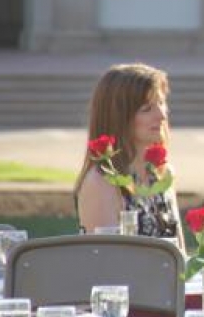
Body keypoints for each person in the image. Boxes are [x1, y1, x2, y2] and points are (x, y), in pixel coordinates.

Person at [74, 63, 184, 250]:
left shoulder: (162, 174)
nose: (162, 115)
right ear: (119, 117)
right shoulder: (102, 182)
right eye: (147, 108)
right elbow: (106, 263)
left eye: (161, 103)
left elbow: (181, 257)